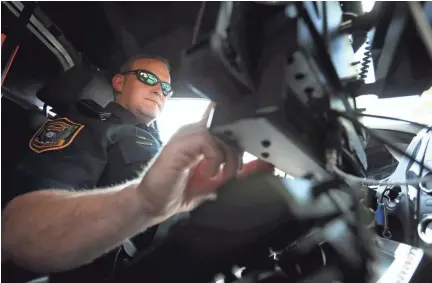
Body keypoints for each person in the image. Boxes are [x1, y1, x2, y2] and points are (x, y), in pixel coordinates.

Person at [2, 54, 272, 281]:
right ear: (119, 82)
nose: (159, 91)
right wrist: (143, 201)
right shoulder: (88, 124)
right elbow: (16, 228)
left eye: (166, 88)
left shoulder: (164, 146)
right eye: (148, 79)